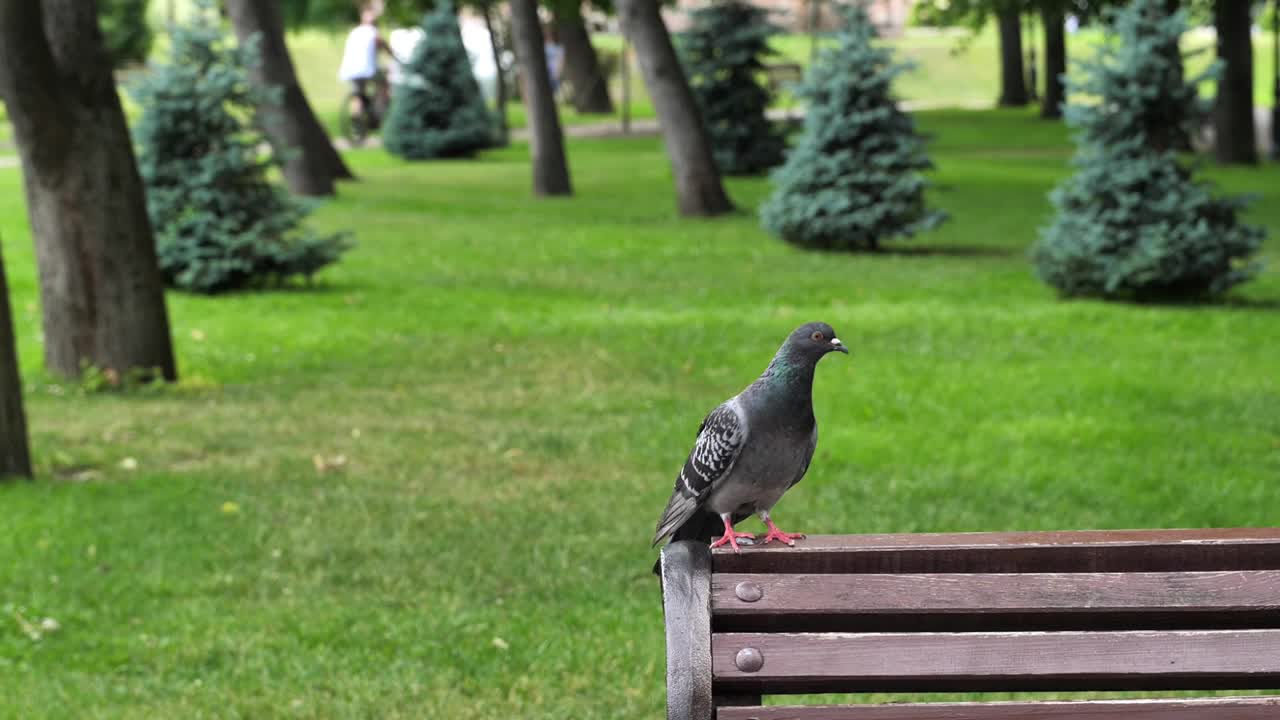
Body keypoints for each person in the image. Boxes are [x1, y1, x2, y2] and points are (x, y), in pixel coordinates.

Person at [338, 4, 393, 117]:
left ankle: (356, 120)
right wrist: (393, 56)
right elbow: (384, 47)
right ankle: (379, 112)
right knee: (384, 84)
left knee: (358, 94)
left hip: (350, 69)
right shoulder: (373, 32)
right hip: (367, 69)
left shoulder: (354, 32)